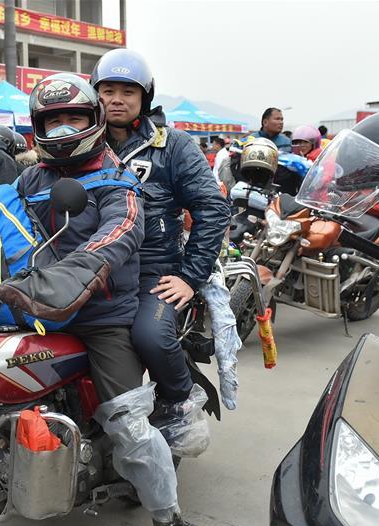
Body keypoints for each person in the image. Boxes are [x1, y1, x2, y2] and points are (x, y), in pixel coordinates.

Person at [0, 72, 219, 526]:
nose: (65, 127)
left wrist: (60, 282)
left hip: (99, 320)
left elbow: (115, 237)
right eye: (54, 119)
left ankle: (171, 525)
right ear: (38, 126)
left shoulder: (120, 184)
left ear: (93, 121)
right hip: (27, 306)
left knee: (129, 425)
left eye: (74, 116)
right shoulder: (30, 179)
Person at [93, 48, 230, 425]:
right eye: (107, 91)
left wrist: (190, 276)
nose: (116, 100)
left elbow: (213, 208)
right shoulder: (81, 143)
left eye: (127, 92)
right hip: (90, 272)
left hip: (151, 275)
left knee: (151, 338)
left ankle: (179, 406)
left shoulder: (173, 146)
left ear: (144, 98)